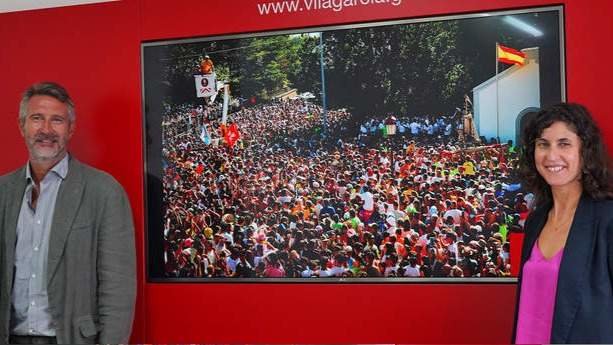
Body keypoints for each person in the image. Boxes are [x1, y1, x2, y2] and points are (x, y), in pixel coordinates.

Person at [0, 82, 136, 344]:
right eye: (37, 118)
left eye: (57, 120)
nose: (46, 130)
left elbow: (118, 289)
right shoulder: (3, 191)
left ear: (71, 129)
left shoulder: (104, 191)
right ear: (22, 126)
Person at [513, 103, 613, 343]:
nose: (551, 156)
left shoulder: (608, 220)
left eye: (564, 144)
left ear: (585, 151)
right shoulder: (536, 220)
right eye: (543, 144)